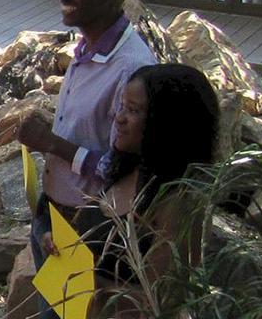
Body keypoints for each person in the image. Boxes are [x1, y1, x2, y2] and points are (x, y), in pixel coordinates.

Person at [10, 0, 159, 319]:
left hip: (89, 228)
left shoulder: (132, 70)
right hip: (55, 215)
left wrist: (51, 143)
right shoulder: (88, 46)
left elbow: (121, 169)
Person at [89, 63, 218, 318]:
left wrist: (92, 287)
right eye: (122, 106)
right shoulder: (127, 167)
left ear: (167, 124)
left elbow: (163, 299)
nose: (119, 117)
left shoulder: (179, 202)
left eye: (133, 110)